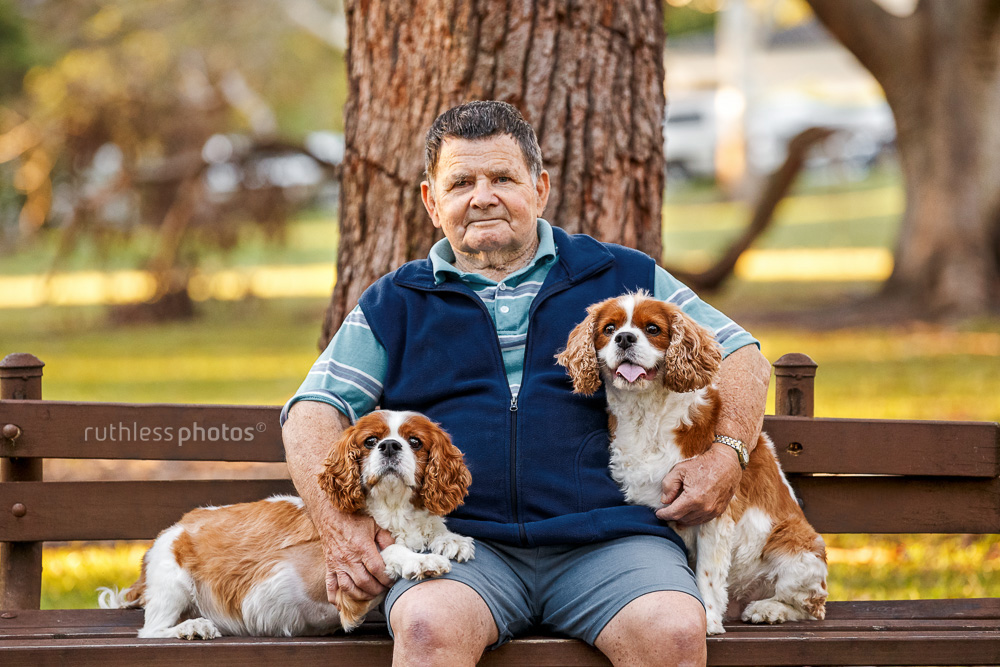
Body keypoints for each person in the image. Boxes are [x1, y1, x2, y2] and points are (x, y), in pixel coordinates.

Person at [281, 100, 772, 666]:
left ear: (539, 189)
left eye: (502, 178)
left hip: (611, 540)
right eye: (461, 181)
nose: (482, 196)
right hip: (461, 545)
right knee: (426, 626)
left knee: (672, 631)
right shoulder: (396, 301)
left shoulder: (618, 275)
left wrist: (728, 454)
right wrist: (341, 528)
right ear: (431, 202)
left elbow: (742, 355)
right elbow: (312, 410)